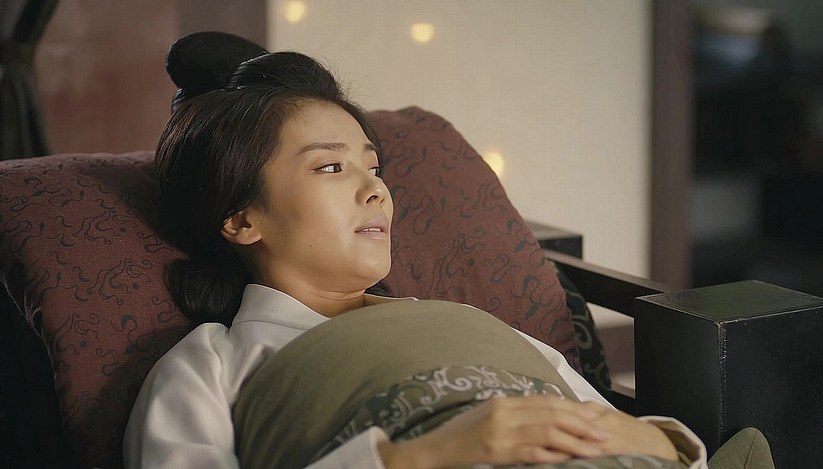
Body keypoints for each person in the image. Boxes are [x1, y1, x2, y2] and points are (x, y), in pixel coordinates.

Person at [124, 31, 709, 469]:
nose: (376, 190)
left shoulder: (466, 324)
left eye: (374, 168)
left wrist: (658, 439)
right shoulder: (214, 364)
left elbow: (609, 431)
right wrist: (425, 455)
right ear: (241, 219)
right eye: (330, 167)